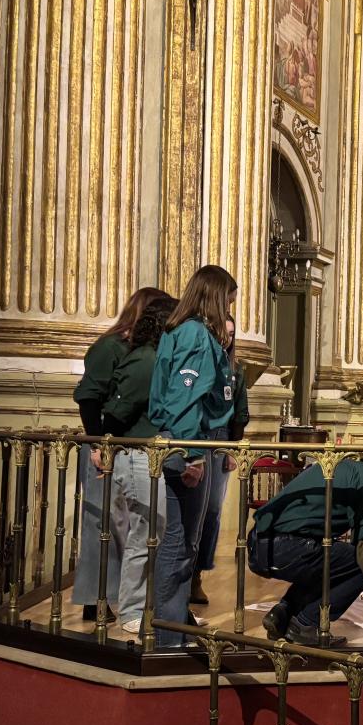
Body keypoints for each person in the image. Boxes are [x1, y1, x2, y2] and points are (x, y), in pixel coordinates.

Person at [146, 265, 240, 647]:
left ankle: (171, 626)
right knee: (181, 545)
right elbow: (186, 399)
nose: (232, 306)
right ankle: (170, 635)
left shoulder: (175, 330)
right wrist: (195, 456)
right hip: (187, 445)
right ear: (216, 297)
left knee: (181, 542)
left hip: (175, 441)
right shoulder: (198, 336)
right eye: (230, 299)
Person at [72, 285, 172, 622]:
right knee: (101, 520)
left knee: (129, 525)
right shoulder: (110, 346)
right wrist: (100, 443)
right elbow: (89, 396)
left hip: (124, 444)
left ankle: (121, 597)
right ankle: (96, 597)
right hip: (104, 441)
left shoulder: (144, 351)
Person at [250, 433, 363, 647]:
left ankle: (282, 614)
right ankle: (306, 623)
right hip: (286, 546)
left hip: (259, 543)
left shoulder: (346, 465)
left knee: (336, 558)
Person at [98, 294, 178, 634]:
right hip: (136, 455)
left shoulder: (158, 358)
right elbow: (116, 413)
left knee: (155, 533)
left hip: (152, 455)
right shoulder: (145, 360)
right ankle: (131, 609)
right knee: (145, 533)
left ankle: (151, 606)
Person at [190, 319, 249, 606]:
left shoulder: (236, 370)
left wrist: (232, 449)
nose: (227, 339)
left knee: (212, 509)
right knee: (193, 510)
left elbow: (240, 410)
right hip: (195, 434)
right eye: (223, 333)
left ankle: (197, 575)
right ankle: (181, 573)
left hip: (221, 439)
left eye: (231, 335)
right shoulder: (199, 361)